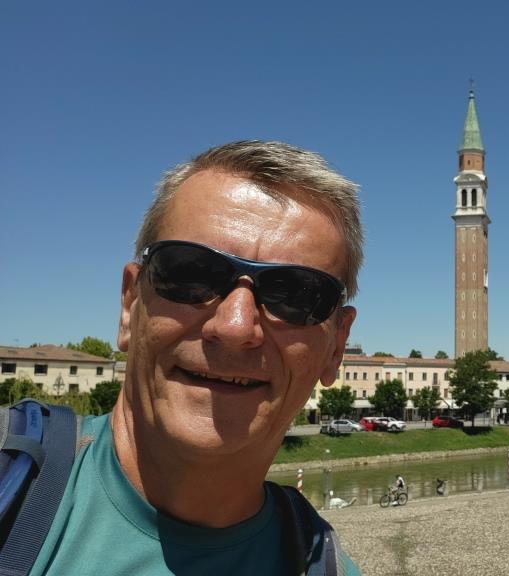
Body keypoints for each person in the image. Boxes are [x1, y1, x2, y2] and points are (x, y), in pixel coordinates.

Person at [31, 141, 363, 575]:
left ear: (336, 347)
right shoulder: (14, 486)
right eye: (190, 273)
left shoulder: (326, 567)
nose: (235, 327)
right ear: (130, 305)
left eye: (295, 295)